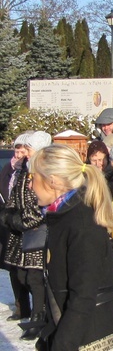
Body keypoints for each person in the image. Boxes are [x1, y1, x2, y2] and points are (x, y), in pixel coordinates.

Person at [28, 144, 113, 350]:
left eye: (33, 178)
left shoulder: (81, 222)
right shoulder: (62, 216)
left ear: (52, 180)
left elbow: (83, 295)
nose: (29, 186)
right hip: (76, 331)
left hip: (92, 337)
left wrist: (63, 343)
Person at [0, 131, 52, 341]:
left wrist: (23, 221)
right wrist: (9, 215)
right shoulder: (24, 171)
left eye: (29, 149)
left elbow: (42, 205)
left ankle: (41, 316)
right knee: (21, 274)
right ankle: (33, 310)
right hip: (20, 233)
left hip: (37, 232)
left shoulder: (44, 171)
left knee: (35, 277)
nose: (25, 153)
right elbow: (14, 198)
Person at [0, 132, 31, 324]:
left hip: (27, 223)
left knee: (29, 268)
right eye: (17, 150)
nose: (19, 154)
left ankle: (38, 307)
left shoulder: (29, 169)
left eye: (22, 150)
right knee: (13, 267)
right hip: (9, 223)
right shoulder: (8, 169)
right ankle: (21, 307)